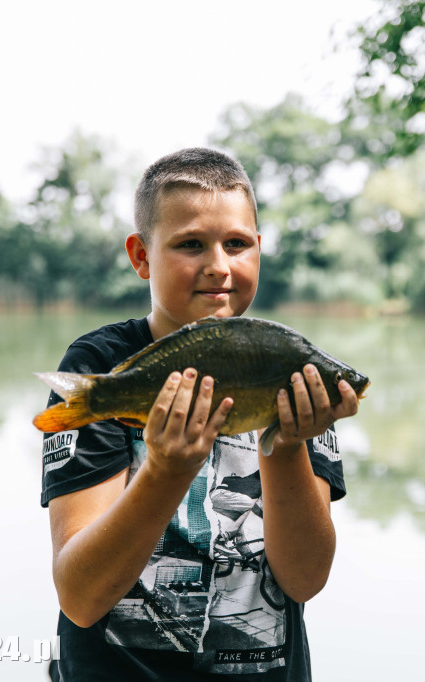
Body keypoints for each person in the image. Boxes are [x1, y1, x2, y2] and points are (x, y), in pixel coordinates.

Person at [39, 147, 360, 681]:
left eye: (236, 244)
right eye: (190, 244)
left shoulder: (291, 365)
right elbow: (80, 596)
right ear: (141, 256)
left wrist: (283, 443)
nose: (218, 265)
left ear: (259, 250)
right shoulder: (102, 366)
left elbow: (303, 579)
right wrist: (166, 470)